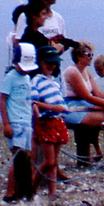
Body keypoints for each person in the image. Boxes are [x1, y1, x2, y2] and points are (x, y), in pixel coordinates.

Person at [61, 41, 104, 160]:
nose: (91, 57)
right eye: (88, 55)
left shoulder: (86, 71)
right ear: (79, 57)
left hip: (83, 104)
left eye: (92, 55)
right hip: (72, 107)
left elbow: (98, 93)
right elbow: (88, 97)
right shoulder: (73, 72)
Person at [30, 44, 70, 194]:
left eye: (54, 63)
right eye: (48, 63)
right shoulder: (36, 81)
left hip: (58, 121)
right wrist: (52, 109)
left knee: (54, 162)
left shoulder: (53, 80)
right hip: (46, 122)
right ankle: (31, 189)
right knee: (49, 161)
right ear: (40, 63)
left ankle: (52, 193)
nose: (52, 66)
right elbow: (33, 102)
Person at [0, 43, 37, 201]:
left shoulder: (27, 77)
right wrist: (6, 124)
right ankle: (11, 193)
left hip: (26, 122)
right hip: (15, 122)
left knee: (26, 159)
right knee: (19, 159)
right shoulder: (10, 77)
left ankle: (21, 192)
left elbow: (27, 99)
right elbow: (2, 101)